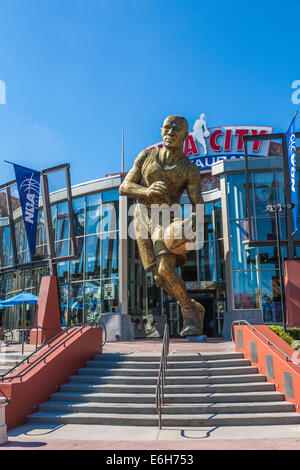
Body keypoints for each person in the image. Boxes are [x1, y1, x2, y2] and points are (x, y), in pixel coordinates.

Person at [119, 115, 205, 336]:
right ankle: (195, 307)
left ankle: (188, 313)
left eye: (177, 129)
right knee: (158, 276)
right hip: (141, 217)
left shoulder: (189, 169)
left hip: (167, 216)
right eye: (167, 128)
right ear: (160, 131)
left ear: (186, 135)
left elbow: (197, 201)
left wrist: (195, 222)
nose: (171, 132)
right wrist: (146, 191)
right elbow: (125, 187)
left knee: (166, 269)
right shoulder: (147, 156)